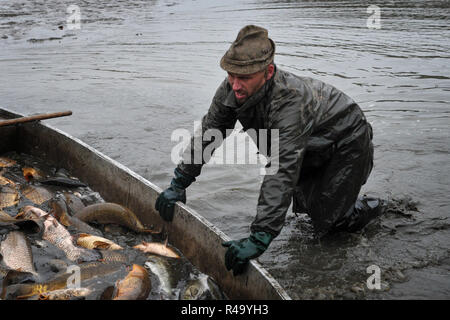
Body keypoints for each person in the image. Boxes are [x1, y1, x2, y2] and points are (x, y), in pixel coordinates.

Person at [155, 25, 384, 276]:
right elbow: (210, 133)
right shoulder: (231, 89)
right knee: (310, 210)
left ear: (268, 72)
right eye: (231, 75)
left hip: (346, 137)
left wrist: (260, 236)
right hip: (310, 144)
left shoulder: (290, 102)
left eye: (244, 77)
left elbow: (281, 167)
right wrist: (179, 182)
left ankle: (378, 208)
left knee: (334, 222)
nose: (236, 85)